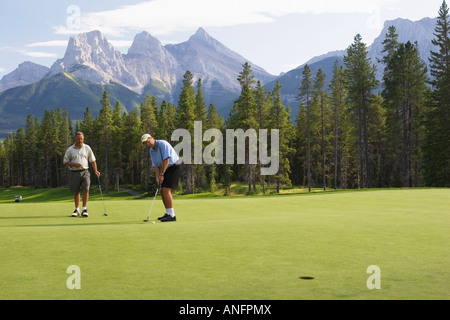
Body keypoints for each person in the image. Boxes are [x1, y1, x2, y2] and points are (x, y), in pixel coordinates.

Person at [141, 134, 181, 222]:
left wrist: (162, 174)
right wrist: (157, 177)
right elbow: (155, 165)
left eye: (147, 142)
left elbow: (166, 160)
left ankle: (172, 215)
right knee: (162, 190)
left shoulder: (163, 144)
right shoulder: (152, 151)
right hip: (165, 168)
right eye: (145, 144)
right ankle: (168, 213)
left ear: (151, 138)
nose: (147, 144)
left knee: (166, 190)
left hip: (174, 166)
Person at [64, 132, 100, 217]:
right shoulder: (70, 149)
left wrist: (96, 171)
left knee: (86, 189)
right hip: (74, 172)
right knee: (76, 191)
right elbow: (65, 161)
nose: (80, 141)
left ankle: (84, 209)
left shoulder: (87, 148)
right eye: (78, 139)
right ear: (75, 139)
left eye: (81, 139)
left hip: (85, 171)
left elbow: (92, 160)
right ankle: (77, 210)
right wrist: (74, 164)